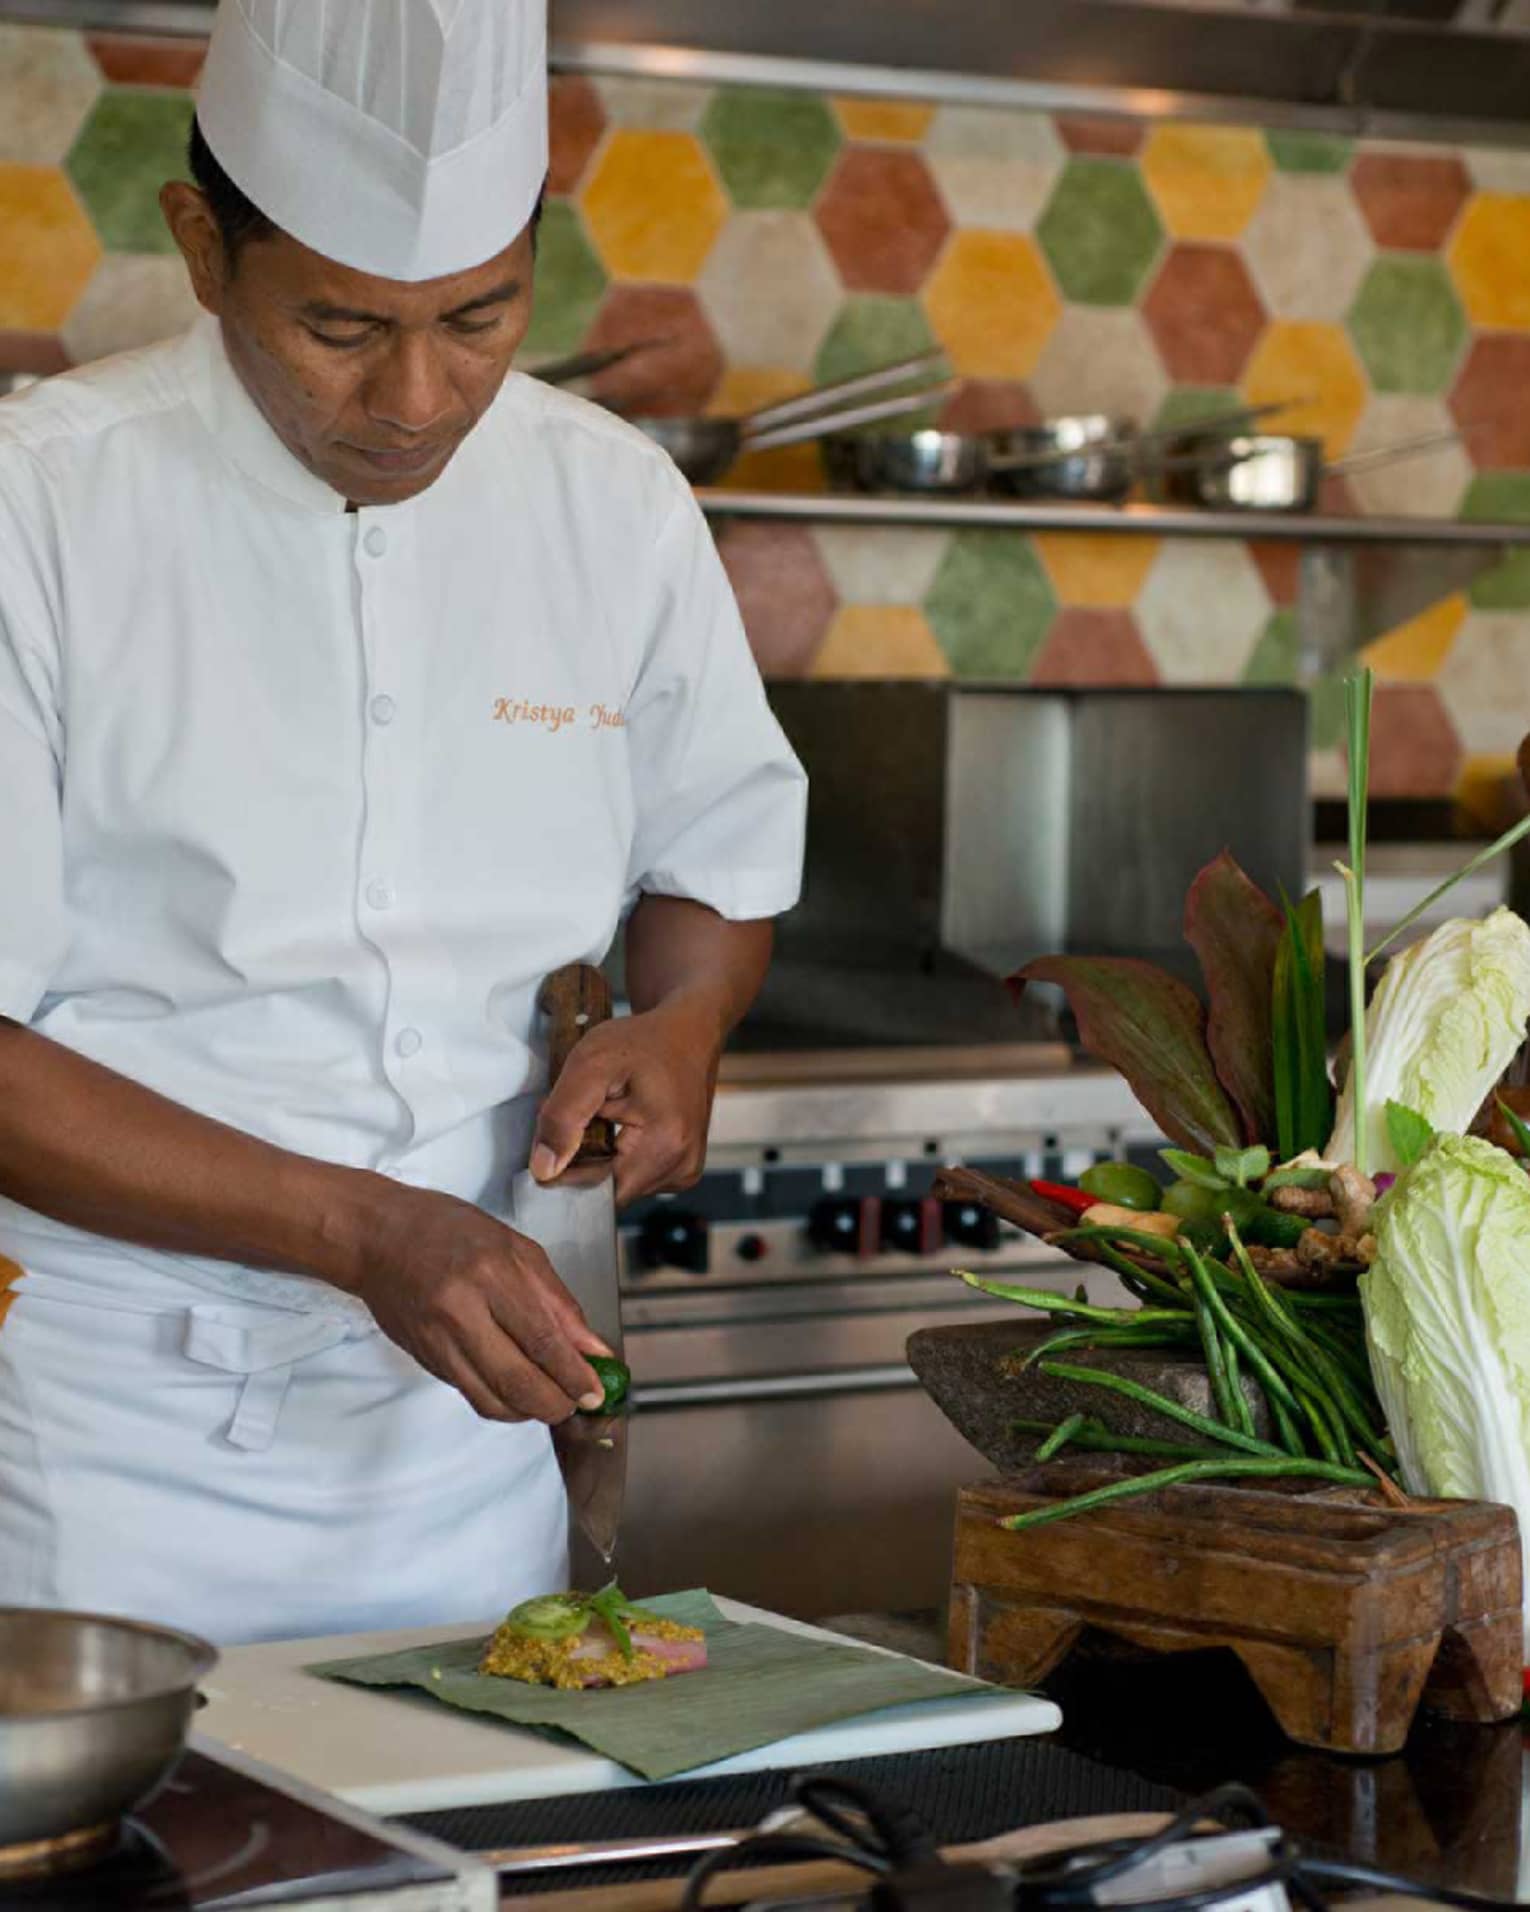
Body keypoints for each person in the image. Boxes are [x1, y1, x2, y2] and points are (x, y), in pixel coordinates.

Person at [0, 0, 805, 1645]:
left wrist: (687, 1017)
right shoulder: (45, 506)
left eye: (482, 317)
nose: (419, 397)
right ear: (201, 246)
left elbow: (712, 855)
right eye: (343, 327)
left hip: (460, 1431)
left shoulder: (612, 502)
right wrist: (358, 1227)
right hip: (90, 1441)